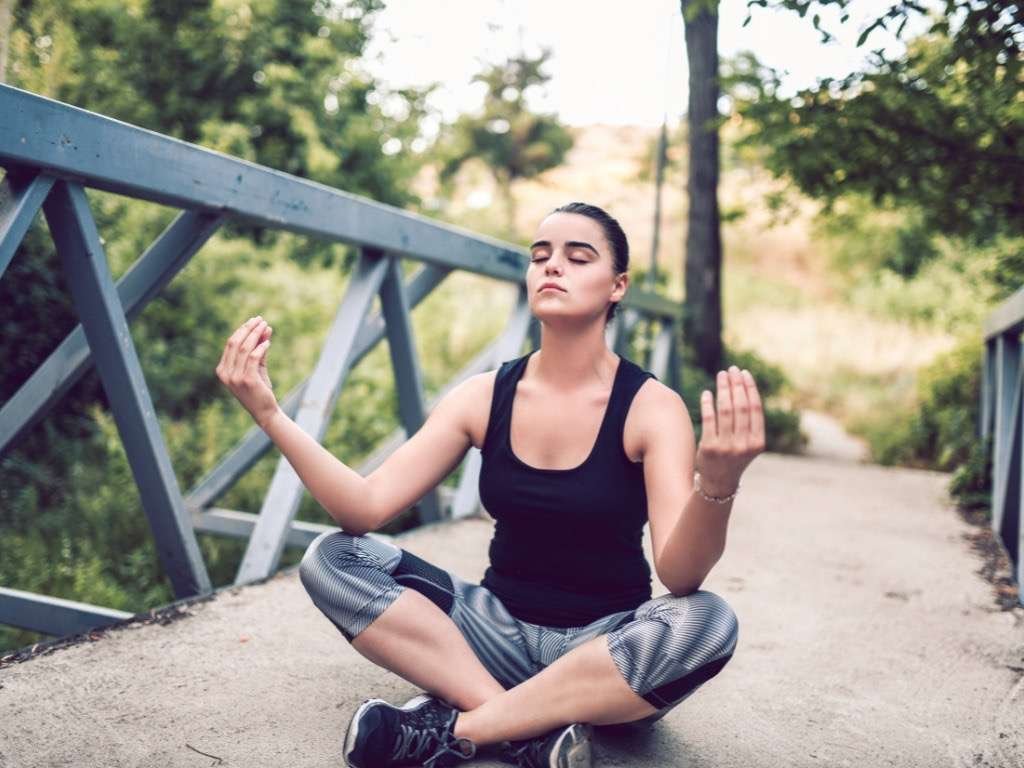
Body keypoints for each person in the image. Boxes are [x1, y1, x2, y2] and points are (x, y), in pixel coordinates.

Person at [216, 201, 764, 768]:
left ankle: (461, 730)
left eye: (578, 258)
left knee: (706, 619)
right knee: (333, 557)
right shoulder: (483, 396)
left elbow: (678, 574)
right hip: (491, 634)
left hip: (605, 650)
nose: (552, 267)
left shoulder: (652, 408)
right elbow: (364, 508)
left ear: (617, 286)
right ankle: (529, 731)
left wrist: (716, 486)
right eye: (540, 256)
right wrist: (271, 416)